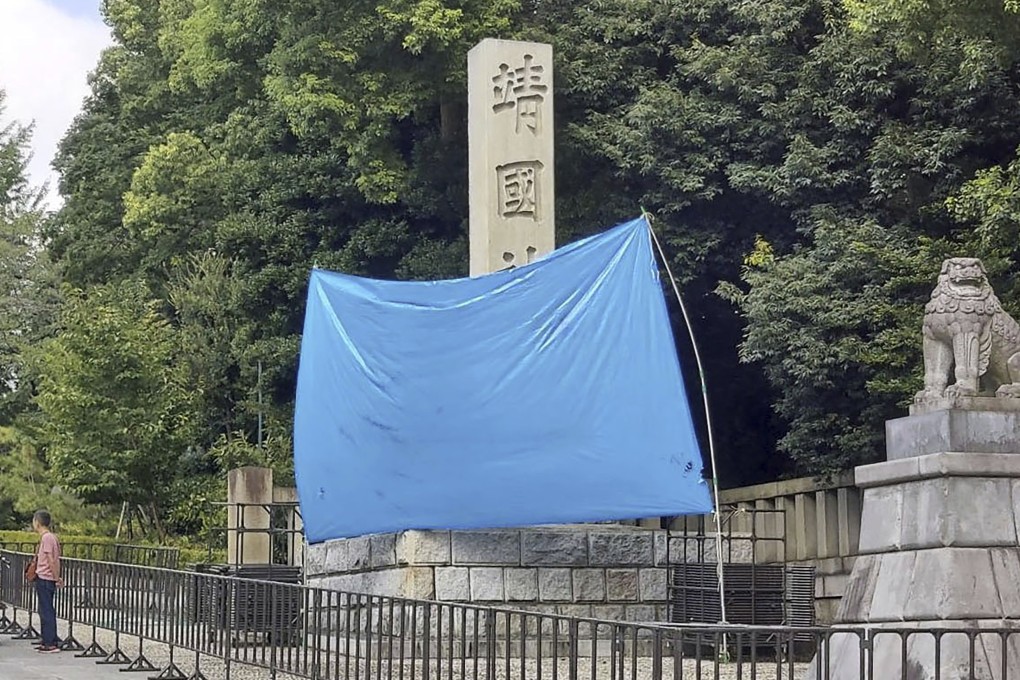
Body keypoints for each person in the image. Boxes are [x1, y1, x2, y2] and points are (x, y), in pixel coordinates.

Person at [32, 510, 62, 653]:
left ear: (37, 522)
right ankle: (47, 639)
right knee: (45, 609)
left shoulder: (47, 538)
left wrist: (56, 578)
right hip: (46, 577)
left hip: (45, 577)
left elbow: (51, 559)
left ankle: (50, 642)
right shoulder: (50, 537)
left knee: (47, 610)